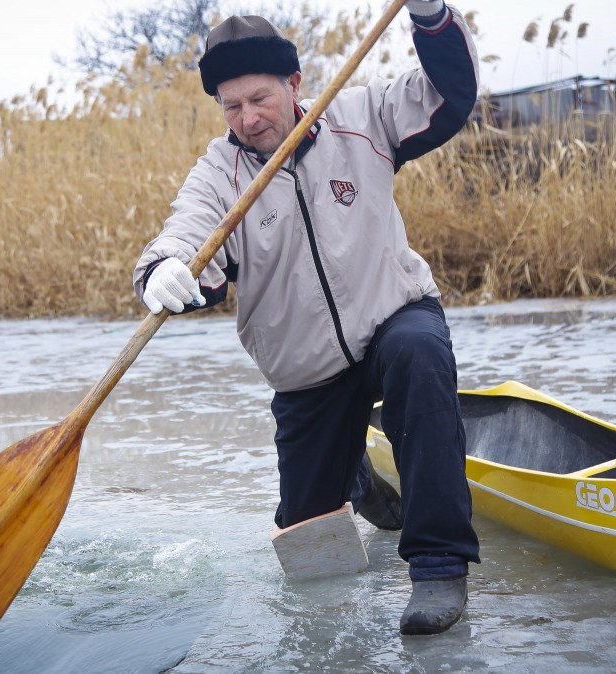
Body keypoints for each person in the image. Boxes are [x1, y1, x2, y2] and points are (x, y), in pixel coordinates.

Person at [132, 0, 480, 636]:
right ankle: (352, 475)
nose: (249, 118)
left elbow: (448, 92)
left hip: (392, 316)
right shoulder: (220, 173)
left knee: (420, 355)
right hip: (306, 372)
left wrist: (431, 18)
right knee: (312, 554)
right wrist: (163, 270)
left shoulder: (361, 117)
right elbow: (184, 232)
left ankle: (437, 565)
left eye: (260, 99)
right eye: (231, 106)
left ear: (294, 84)